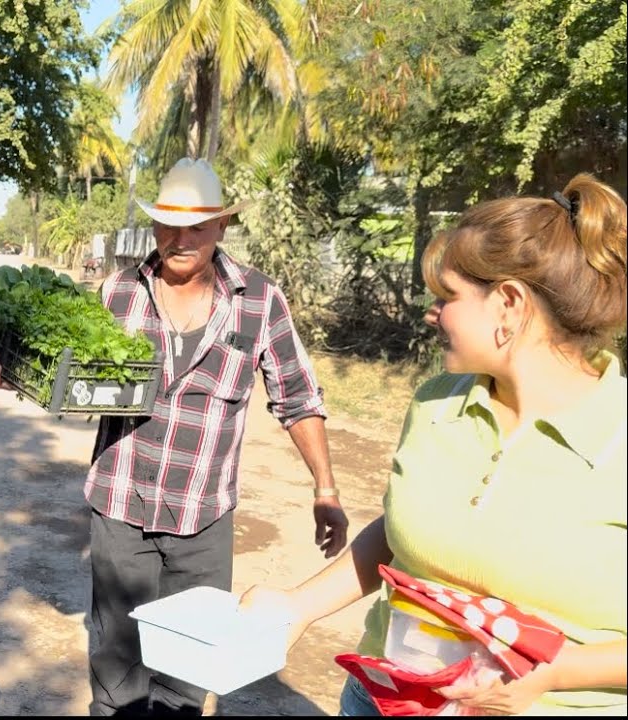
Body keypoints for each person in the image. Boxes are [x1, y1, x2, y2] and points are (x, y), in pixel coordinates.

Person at [242, 173, 627, 716]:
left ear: (508, 306)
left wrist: (549, 675)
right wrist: (298, 606)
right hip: (382, 701)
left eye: (447, 297)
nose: (432, 313)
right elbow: (405, 531)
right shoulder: (435, 403)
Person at [0, 157, 350, 716]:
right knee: (116, 670)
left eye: (196, 226)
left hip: (203, 518)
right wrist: (13, 369)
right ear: (154, 226)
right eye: (168, 225)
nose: (180, 239)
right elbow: (69, 377)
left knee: (187, 675)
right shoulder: (117, 293)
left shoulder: (259, 300)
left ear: (222, 226)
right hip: (121, 508)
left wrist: (326, 487)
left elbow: (297, 397)